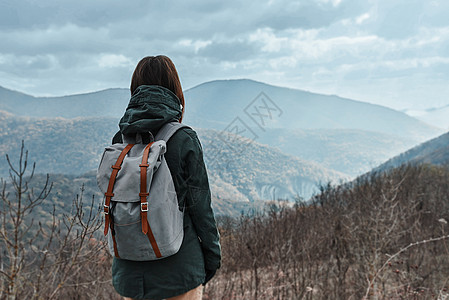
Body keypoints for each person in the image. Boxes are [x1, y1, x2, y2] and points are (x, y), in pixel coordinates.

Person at [110, 55, 221, 300]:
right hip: (179, 272)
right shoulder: (183, 138)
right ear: (175, 89)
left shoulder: (121, 140)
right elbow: (201, 210)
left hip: (129, 275)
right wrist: (211, 260)